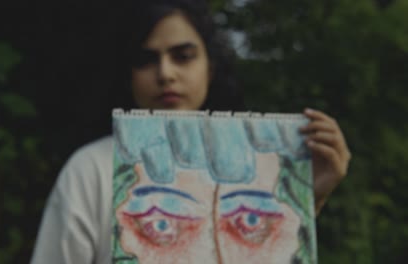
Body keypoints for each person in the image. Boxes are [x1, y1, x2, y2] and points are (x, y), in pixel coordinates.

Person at [30, 0, 351, 263]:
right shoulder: (91, 169)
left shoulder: (264, 166)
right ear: (128, 74)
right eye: (146, 59)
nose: (166, 73)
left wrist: (308, 200)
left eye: (183, 56)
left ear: (210, 67)